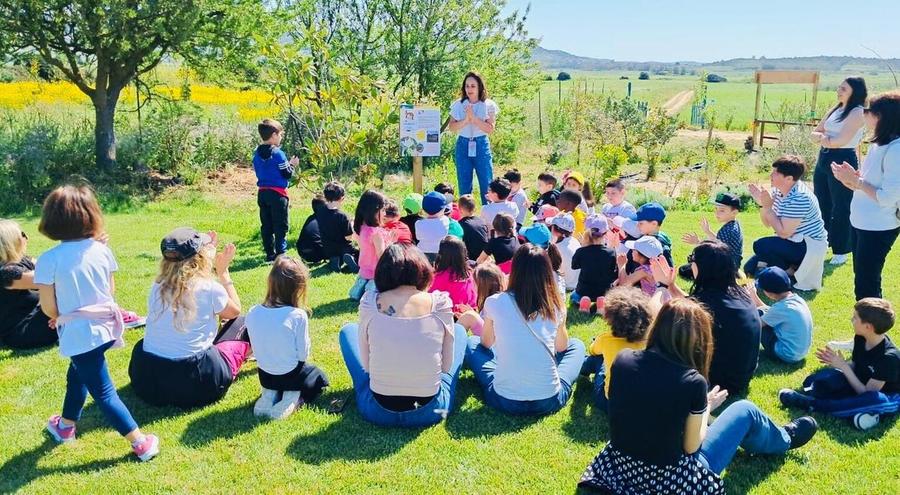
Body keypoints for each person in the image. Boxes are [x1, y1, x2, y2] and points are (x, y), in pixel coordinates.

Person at [579, 298, 817, 493]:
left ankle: (778, 437)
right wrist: (705, 407)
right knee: (744, 410)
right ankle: (785, 438)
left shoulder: (623, 359)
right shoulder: (691, 382)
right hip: (667, 480)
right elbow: (692, 447)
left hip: (619, 467)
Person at [35, 185, 159, 461]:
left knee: (103, 392)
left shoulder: (48, 260)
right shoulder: (102, 250)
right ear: (91, 216)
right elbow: (109, 289)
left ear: (51, 219)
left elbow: (47, 306)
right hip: (104, 328)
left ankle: (140, 443)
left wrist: (59, 316)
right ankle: (66, 426)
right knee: (77, 374)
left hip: (80, 334)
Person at [338, 243, 467, 427]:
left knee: (347, 330)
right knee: (460, 330)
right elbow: (446, 367)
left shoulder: (370, 304)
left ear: (382, 272)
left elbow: (367, 367)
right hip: (431, 409)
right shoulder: (440, 304)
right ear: (423, 270)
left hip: (377, 409)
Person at [129, 228, 251, 411]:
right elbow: (235, 311)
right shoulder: (209, 288)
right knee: (242, 323)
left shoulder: (157, 287)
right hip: (197, 383)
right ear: (199, 258)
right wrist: (223, 272)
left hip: (148, 381)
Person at [465, 244, 586, 415]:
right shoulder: (556, 305)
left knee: (472, 342)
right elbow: (562, 347)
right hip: (548, 400)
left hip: (504, 399)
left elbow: (486, 343)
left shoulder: (494, 301)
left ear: (515, 270)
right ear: (546, 272)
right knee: (577, 346)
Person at [657, 241, 761, 394]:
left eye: (692, 260)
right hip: (741, 376)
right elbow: (691, 304)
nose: (690, 264)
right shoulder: (739, 293)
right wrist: (671, 285)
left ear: (702, 267)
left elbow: (675, 314)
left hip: (718, 383)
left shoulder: (705, 303)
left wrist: (662, 287)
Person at [780, 298, 898, 431]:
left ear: (868, 327)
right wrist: (837, 363)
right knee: (819, 381)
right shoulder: (861, 337)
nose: (851, 320)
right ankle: (860, 414)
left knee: (873, 400)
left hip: (886, 395)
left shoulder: (889, 357)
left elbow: (865, 392)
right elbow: (856, 366)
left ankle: (812, 404)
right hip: (859, 382)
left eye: (855, 318)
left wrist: (843, 367)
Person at [832, 91, 900, 300]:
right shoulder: (878, 145)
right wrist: (850, 179)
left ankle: (872, 330)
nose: (865, 114)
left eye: (869, 110)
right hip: (862, 222)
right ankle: (867, 329)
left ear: (883, 117)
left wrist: (857, 182)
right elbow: (867, 184)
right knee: (862, 278)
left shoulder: (896, 150)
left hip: (879, 226)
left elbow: (888, 197)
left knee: (867, 282)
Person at [246, 257, 329, 419]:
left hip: (265, 374)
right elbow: (303, 355)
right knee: (318, 376)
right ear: (297, 288)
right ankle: (292, 397)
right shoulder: (297, 315)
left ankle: (269, 394)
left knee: (277, 375)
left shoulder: (253, 312)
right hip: (290, 374)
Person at [746, 155, 828, 290]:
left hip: (807, 246)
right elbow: (767, 223)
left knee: (761, 246)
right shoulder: (780, 191)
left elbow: (784, 233)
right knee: (749, 267)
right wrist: (762, 205)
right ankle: (784, 270)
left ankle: (791, 273)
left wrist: (767, 207)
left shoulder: (799, 197)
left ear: (789, 178)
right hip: (793, 241)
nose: (771, 175)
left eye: (776, 173)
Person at [811, 77, 867, 266]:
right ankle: (823, 241)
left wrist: (824, 139)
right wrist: (826, 140)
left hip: (842, 159)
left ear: (855, 91)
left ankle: (842, 249)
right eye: (839, 87)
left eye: (843, 88)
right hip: (824, 158)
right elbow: (814, 133)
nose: (839, 90)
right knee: (821, 202)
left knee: (841, 206)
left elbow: (842, 141)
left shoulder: (857, 112)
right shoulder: (836, 108)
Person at [580, 286, 652, 411]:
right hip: (639, 404)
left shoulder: (606, 340)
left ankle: (581, 367)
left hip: (608, 402)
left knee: (597, 358)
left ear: (610, 317)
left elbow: (592, 350)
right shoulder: (651, 342)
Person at [0, 219, 58, 349]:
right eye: (22, 234)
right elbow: (51, 279)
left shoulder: (20, 260)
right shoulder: (7, 272)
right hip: (23, 330)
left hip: (36, 314)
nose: (27, 237)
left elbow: (47, 266)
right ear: (11, 242)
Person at [448, 71, 499, 205]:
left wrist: (474, 119)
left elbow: (490, 128)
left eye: (473, 86)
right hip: (463, 144)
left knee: (486, 181)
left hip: (481, 143)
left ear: (479, 87)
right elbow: (452, 127)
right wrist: (466, 120)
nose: (469, 89)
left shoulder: (488, 105)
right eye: (467, 86)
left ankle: (488, 214)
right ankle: (466, 215)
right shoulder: (458, 105)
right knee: (464, 182)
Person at [253, 119, 300, 262]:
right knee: (280, 224)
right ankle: (281, 253)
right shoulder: (278, 154)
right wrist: (292, 165)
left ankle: (269, 254)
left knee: (266, 225)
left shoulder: (256, 153)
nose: (280, 138)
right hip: (278, 194)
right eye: (280, 135)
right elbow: (287, 174)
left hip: (262, 192)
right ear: (273, 135)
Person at [747, 267, 813, 364]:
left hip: (787, 355)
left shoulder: (782, 308)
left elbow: (755, 326)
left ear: (769, 293)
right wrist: (753, 295)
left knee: (756, 315)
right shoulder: (796, 300)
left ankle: (745, 350)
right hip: (799, 353)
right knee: (762, 311)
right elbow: (771, 312)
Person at [680, 192, 744, 278]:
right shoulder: (734, 224)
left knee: (684, 270)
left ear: (734, 212)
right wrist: (708, 231)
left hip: (725, 267)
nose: (717, 213)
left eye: (722, 210)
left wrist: (698, 242)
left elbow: (716, 248)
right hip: (731, 264)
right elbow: (719, 241)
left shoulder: (727, 229)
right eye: (716, 209)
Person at [349, 190, 391, 301]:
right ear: (375, 211)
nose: (385, 214)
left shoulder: (361, 227)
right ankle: (371, 288)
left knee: (364, 279)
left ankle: (361, 285)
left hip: (364, 269)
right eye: (383, 210)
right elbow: (382, 255)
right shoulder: (376, 233)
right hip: (377, 272)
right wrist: (390, 242)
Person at [571, 215, 618, 311]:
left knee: (573, 296)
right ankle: (601, 302)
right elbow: (613, 274)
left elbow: (574, 266)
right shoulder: (611, 252)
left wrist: (583, 247)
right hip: (603, 291)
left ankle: (583, 301)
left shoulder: (581, 251)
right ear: (605, 233)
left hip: (583, 290)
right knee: (603, 294)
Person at [317, 181, 359, 273]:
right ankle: (352, 259)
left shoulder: (320, 211)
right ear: (342, 198)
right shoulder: (343, 216)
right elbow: (348, 237)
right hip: (344, 248)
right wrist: (351, 225)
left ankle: (336, 261)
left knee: (336, 255)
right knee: (357, 252)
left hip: (328, 248)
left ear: (325, 196)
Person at [455, 263, 506, 337]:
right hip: (494, 340)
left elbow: (488, 329)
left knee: (468, 317)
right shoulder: (500, 300)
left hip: (490, 342)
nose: (473, 286)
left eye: (474, 283)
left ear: (482, 286)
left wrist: (472, 315)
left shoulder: (491, 303)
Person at [430, 236, 477, 312]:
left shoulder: (437, 277)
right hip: (469, 316)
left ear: (441, 254)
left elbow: (430, 300)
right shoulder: (469, 275)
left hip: (445, 318)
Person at [633, 202, 673, 267]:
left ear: (654, 224)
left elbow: (669, 270)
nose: (637, 226)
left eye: (641, 223)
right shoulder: (643, 237)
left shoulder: (660, 245)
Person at [416, 191, 452, 264]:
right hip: (440, 253)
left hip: (422, 254)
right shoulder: (446, 221)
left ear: (423, 210)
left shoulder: (418, 224)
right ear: (443, 209)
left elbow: (418, 237)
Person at [548, 213, 580, 292]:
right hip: (575, 283)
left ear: (555, 229)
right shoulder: (574, 241)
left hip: (565, 284)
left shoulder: (556, 248)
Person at [295, 194, 327, 264]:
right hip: (318, 253)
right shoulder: (325, 219)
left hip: (302, 252)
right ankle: (336, 258)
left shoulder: (310, 218)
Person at [458, 194, 489, 261]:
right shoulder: (481, 221)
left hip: (470, 258)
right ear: (475, 208)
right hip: (484, 257)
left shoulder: (460, 225)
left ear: (460, 209)